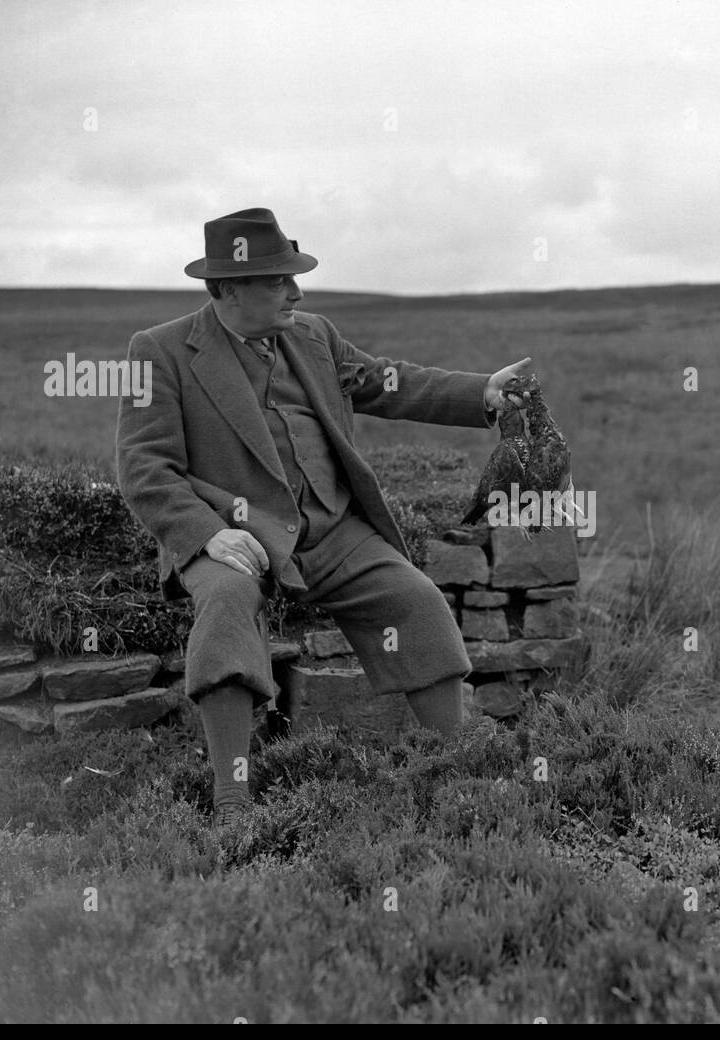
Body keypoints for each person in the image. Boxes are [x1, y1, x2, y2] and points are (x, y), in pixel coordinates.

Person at [116, 207, 528, 826]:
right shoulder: (160, 352)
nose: (296, 291)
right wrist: (205, 537)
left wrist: (482, 394)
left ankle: (455, 770)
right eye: (279, 281)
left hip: (334, 532)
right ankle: (232, 804)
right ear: (228, 289)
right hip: (236, 535)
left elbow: (390, 382)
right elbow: (144, 468)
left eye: (294, 278)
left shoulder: (313, 335)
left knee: (414, 599)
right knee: (227, 606)